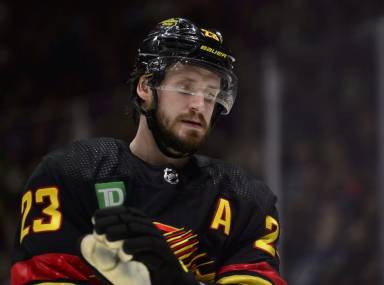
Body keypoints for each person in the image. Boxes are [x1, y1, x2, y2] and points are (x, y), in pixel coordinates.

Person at [11, 17, 287, 285]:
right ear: (146, 86)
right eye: (185, 88)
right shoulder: (71, 175)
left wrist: (176, 280)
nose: (199, 105)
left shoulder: (244, 199)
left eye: (211, 93)